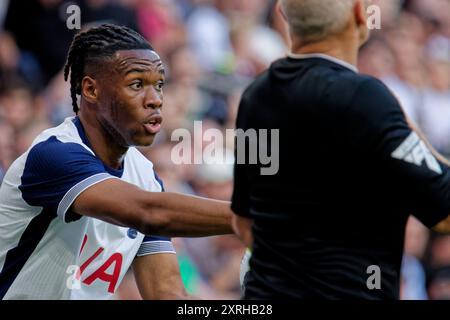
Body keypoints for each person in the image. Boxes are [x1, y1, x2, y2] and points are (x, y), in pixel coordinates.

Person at [231, 0, 450, 300]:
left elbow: (243, 222)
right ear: (360, 13)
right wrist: (414, 134)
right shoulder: (367, 97)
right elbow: (445, 209)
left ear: (282, 13)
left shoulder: (255, 96)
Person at [0, 24, 233, 300]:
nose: (155, 100)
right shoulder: (54, 155)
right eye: (137, 84)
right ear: (90, 89)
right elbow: (148, 213)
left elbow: (167, 294)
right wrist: (254, 216)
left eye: (159, 85)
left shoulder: (144, 176)